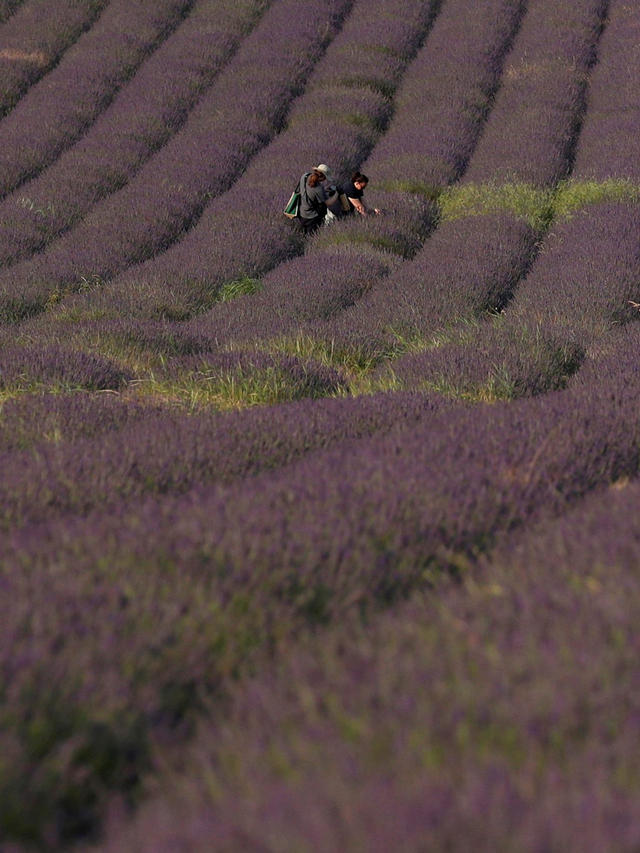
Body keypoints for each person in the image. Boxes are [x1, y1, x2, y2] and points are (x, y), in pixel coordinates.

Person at [294, 163, 338, 235]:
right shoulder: (318, 188)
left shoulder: (304, 176)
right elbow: (329, 202)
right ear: (323, 177)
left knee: (304, 233)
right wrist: (337, 194)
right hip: (312, 216)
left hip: (301, 212)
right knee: (312, 236)